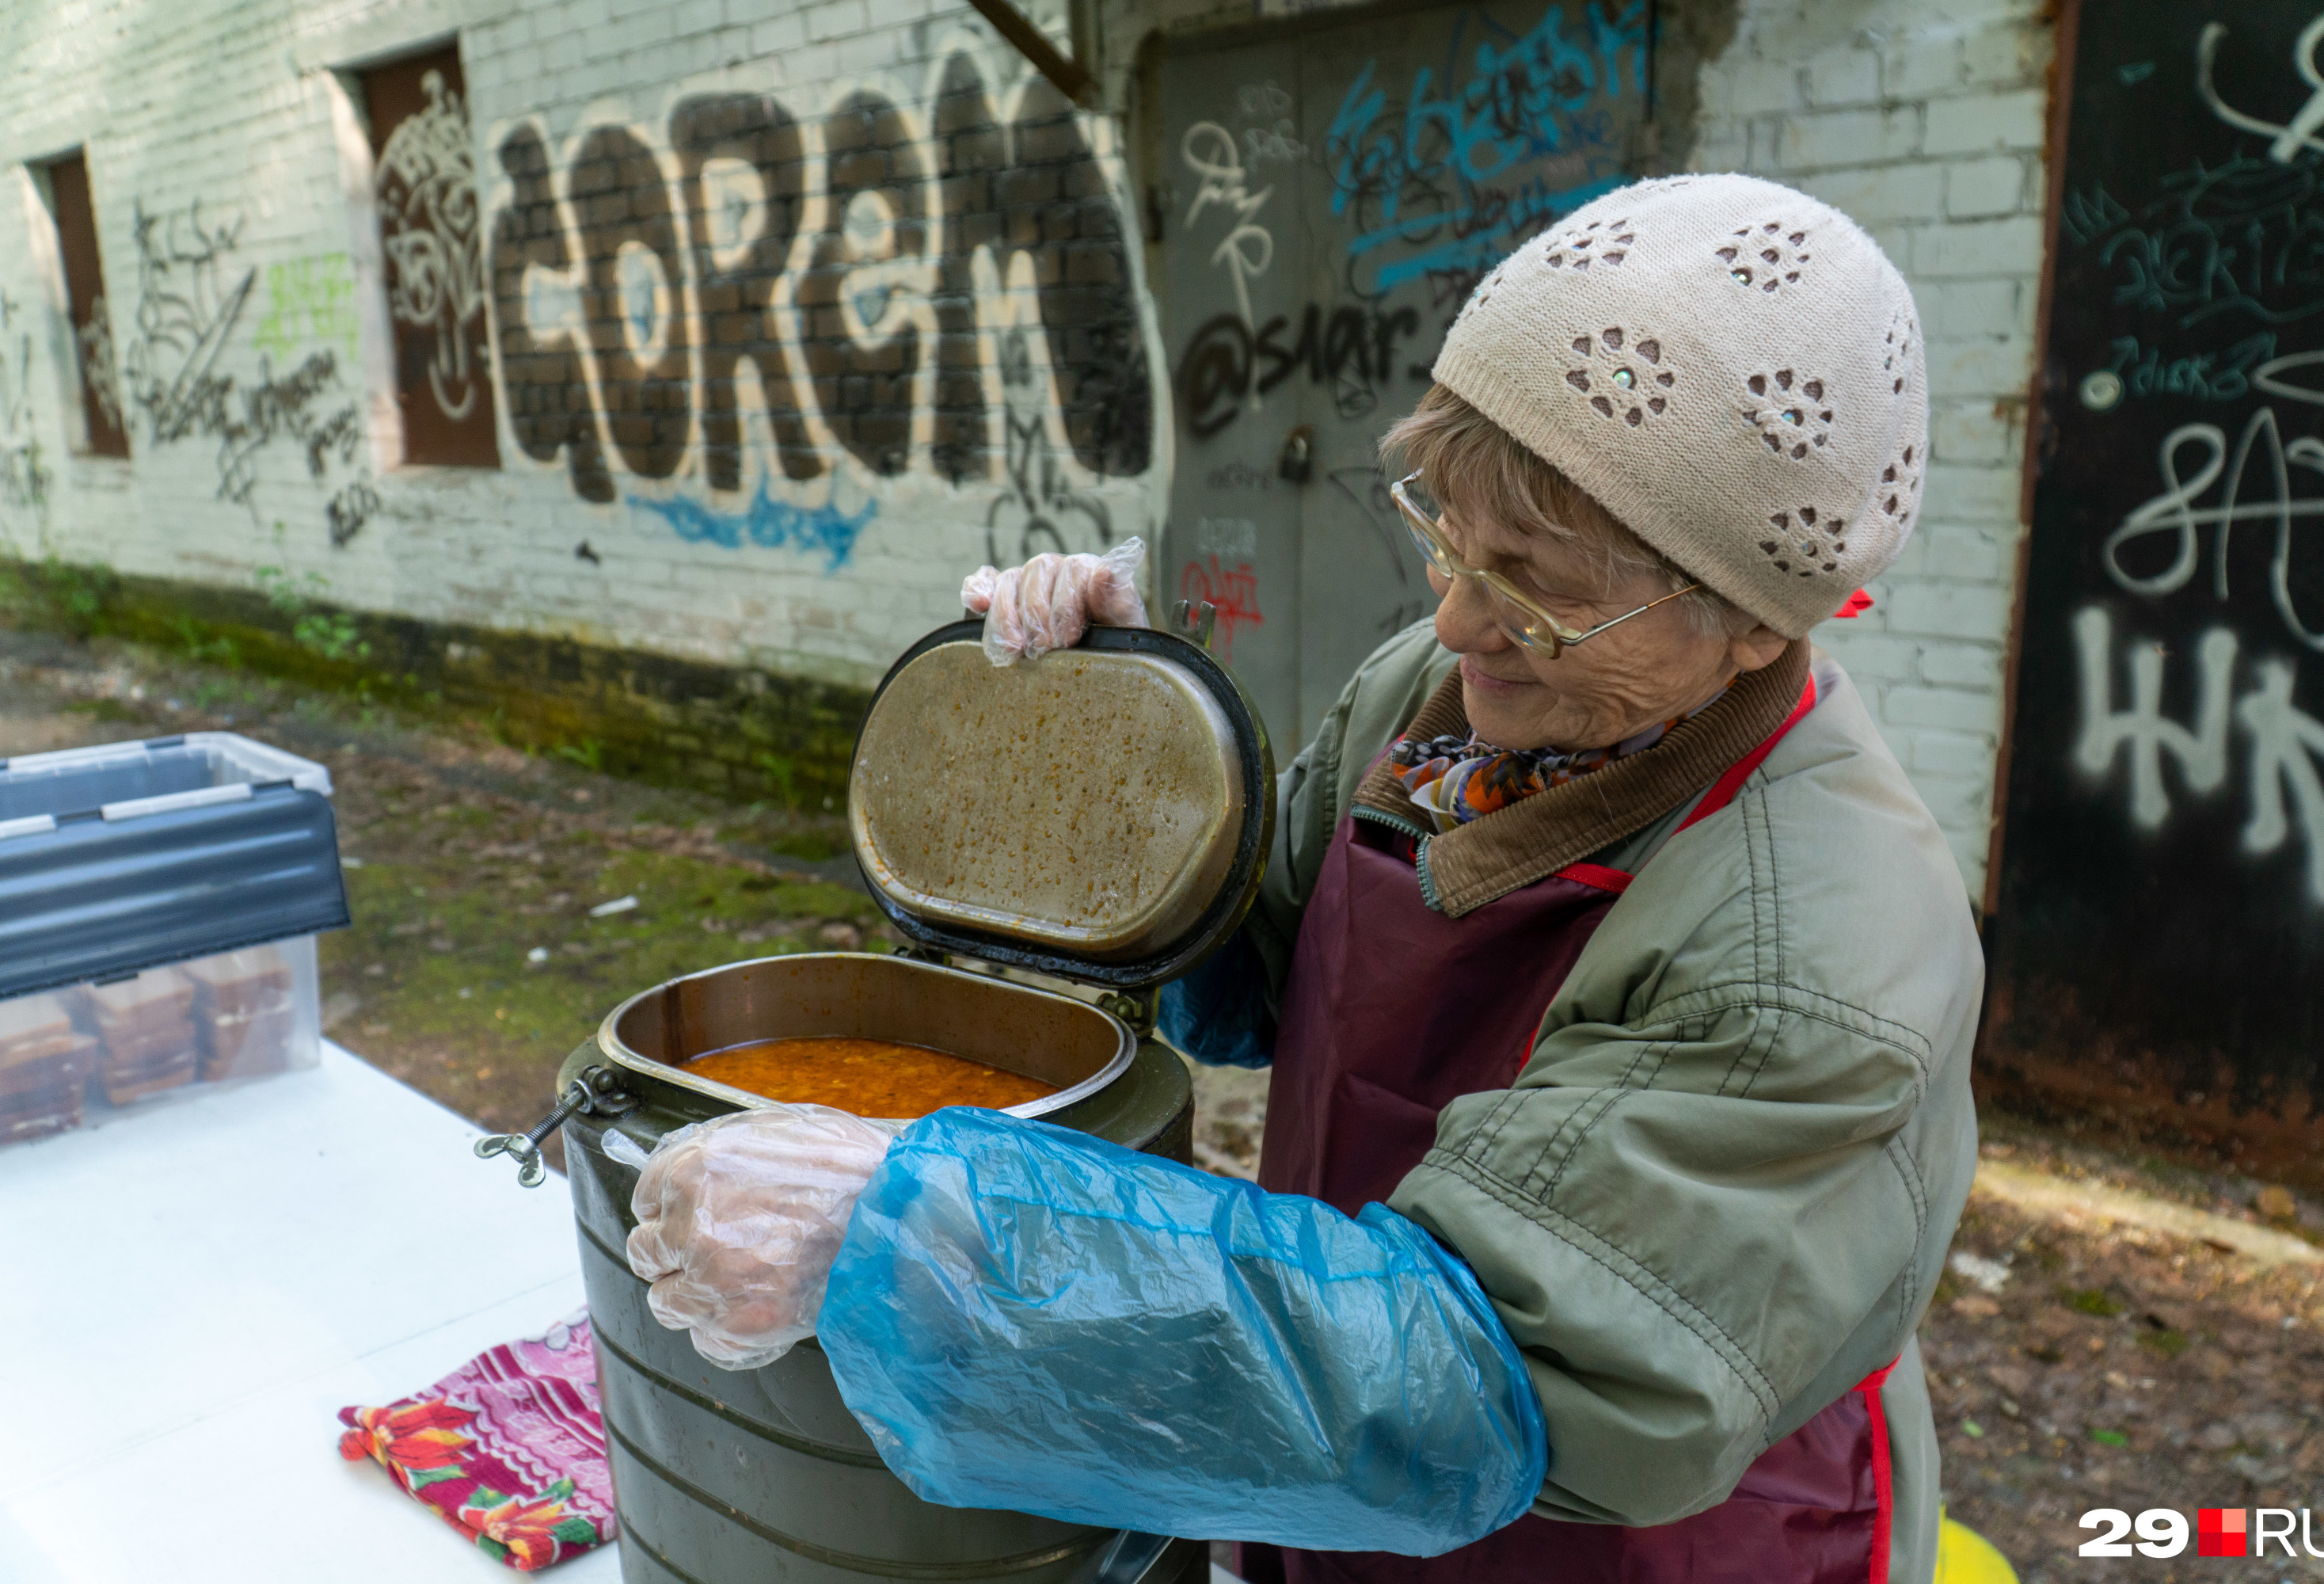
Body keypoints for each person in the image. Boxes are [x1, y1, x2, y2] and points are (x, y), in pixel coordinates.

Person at [624, 173, 1981, 1584]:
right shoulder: (1446, 699)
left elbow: (1492, 1373)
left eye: (1536, 587)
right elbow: (1256, 982)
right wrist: (1134, 747)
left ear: (1753, 628)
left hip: (1615, 1527)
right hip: (1335, 1441)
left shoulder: (1812, 954)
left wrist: (927, 1233)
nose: (1455, 619)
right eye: (1449, 532)